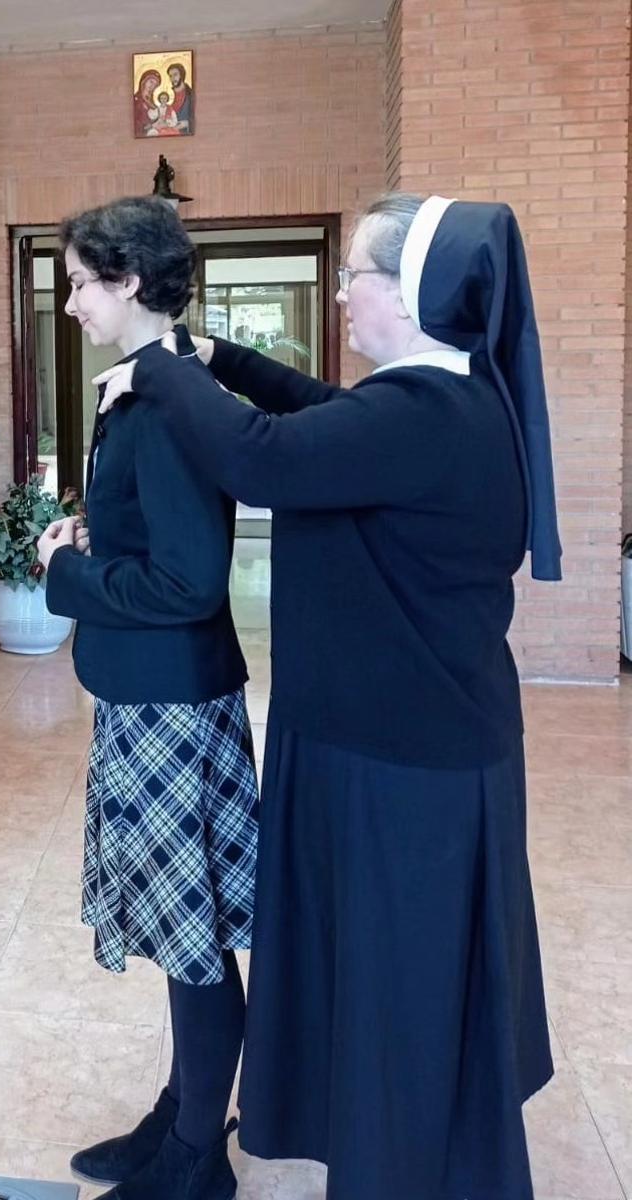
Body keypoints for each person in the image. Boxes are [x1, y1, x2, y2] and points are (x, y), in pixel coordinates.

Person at [96, 193, 559, 1200]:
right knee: (387, 984)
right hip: (406, 742)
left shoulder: (420, 416)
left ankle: (399, 1171)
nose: (343, 294)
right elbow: (317, 410)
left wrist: (162, 367)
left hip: (400, 766)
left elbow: (258, 455)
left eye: (355, 276)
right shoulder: (441, 399)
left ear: (413, 294)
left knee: (397, 991)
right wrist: (218, 356)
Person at [36, 196, 258, 1200]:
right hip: (150, 697)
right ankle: (180, 1116)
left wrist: (66, 574)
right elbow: (160, 546)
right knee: (181, 937)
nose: (71, 304)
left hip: (174, 708)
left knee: (192, 940)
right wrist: (97, 543)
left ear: (129, 282)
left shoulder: (168, 402)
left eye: (81, 284)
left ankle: (197, 1157)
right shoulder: (142, 389)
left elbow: (190, 583)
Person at [133, 70, 162, 137]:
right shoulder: (136, 100)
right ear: (144, 81)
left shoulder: (153, 105)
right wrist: (146, 126)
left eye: (155, 85)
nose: (152, 86)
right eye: (151, 82)